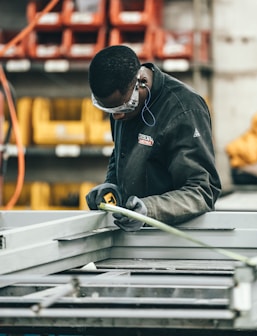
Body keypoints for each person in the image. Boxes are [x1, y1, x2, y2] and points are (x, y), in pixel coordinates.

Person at [86, 45, 221, 231]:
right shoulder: (121, 105)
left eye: (123, 108)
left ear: (140, 82)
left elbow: (202, 192)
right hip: (134, 234)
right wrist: (112, 186)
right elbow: (121, 153)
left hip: (173, 240)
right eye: (111, 111)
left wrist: (150, 210)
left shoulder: (184, 109)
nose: (117, 117)